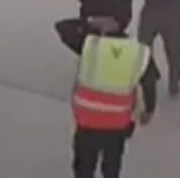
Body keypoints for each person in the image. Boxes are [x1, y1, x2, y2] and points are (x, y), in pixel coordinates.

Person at [66, 15, 159, 178]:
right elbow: (150, 82)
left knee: (84, 167)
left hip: (88, 120)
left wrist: (90, 22)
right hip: (118, 122)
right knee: (112, 165)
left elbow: (63, 28)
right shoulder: (139, 51)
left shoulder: (91, 45)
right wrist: (149, 110)